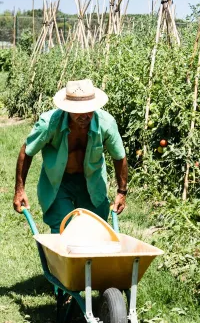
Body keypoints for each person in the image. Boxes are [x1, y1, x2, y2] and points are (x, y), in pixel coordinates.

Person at [13, 79, 128, 232]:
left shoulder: (106, 123)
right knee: (63, 229)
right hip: (59, 183)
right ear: (67, 108)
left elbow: (119, 156)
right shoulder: (49, 123)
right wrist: (19, 190)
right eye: (78, 110)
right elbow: (26, 152)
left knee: (96, 230)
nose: (85, 115)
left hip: (92, 180)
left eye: (89, 109)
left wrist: (122, 191)